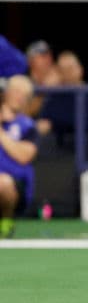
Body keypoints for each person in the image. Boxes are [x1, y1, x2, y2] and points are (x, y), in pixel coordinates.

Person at [0, 75, 37, 239]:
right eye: (15, 91)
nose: (18, 97)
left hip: (15, 185)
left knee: (3, 183)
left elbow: (23, 156)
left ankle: (6, 223)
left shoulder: (27, 126)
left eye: (24, 95)